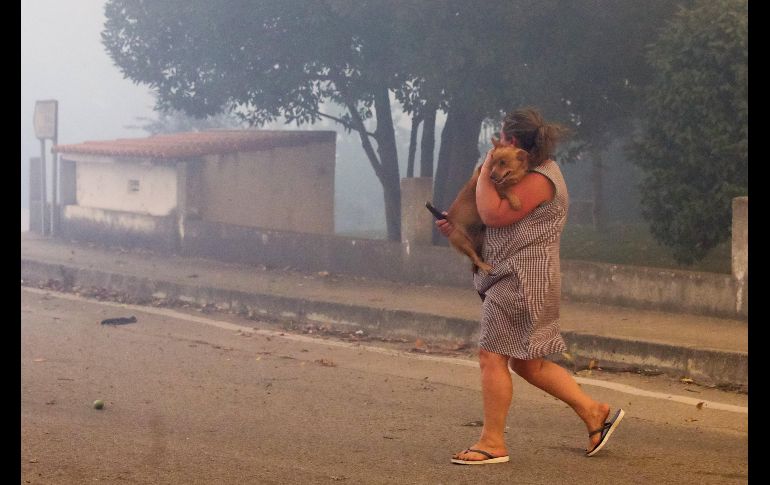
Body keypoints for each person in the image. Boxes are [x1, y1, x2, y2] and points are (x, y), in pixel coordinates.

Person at [436, 107, 624, 464]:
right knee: (528, 364)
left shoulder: (541, 178)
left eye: (502, 141)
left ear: (512, 142)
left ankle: (492, 443)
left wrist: (486, 169)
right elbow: (491, 220)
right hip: (519, 276)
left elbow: (493, 213)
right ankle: (594, 412)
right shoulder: (527, 172)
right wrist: (458, 226)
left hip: (521, 279)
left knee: (491, 355)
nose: (496, 156)